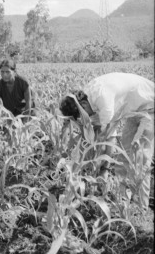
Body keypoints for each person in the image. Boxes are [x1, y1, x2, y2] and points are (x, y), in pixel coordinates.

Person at [59, 72, 154, 210]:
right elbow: (93, 128)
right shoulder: (85, 97)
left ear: (84, 104)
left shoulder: (103, 99)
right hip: (134, 110)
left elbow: (110, 139)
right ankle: (123, 202)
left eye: (84, 114)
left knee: (140, 159)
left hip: (150, 106)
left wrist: (104, 169)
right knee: (124, 156)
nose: (87, 117)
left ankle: (141, 209)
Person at [0, 59, 33, 133]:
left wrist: (25, 123)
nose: (4, 75)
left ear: (14, 72)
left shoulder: (23, 82)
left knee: (27, 135)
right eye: (2, 72)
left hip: (27, 112)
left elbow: (29, 103)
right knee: (11, 136)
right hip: (12, 114)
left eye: (7, 72)